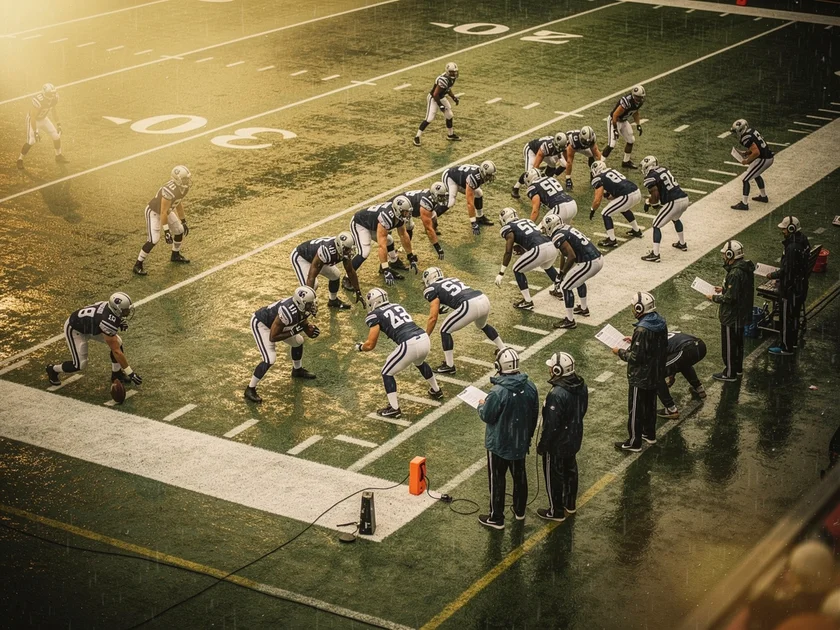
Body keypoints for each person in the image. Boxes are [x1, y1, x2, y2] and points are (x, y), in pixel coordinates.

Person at [355, 288, 443, 418]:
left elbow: (370, 344)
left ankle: (394, 408)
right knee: (419, 362)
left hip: (410, 343)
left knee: (386, 372)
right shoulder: (397, 306)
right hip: (424, 337)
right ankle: (436, 390)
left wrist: (360, 347)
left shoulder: (375, 315)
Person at [477, 348, 539, 529]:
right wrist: (527, 436)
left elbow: (487, 416)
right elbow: (534, 414)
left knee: (497, 479)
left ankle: (496, 517)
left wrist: (481, 406)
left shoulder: (497, 392)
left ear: (499, 366)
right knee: (520, 476)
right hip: (520, 441)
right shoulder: (530, 386)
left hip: (499, 443)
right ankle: (519, 511)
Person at [45, 292, 142, 388]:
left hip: (91, 326)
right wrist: (130, 373)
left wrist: (119, 321)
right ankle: (53, 369)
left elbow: (103, 317)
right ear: (116, 309)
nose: (128, 312)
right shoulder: (106, 321)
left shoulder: (108, 306)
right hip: (75, 329)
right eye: (125, 311)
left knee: (118, 342)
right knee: (80, 364)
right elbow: (116, 351)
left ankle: (116, 373)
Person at [421, 267, 505, 374]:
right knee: (482, 325)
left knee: (444, 330)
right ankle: (503, 348)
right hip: (482, 298)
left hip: (470, 305)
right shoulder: (452, 279)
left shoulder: (431, 288)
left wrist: (426, 336)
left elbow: (433, 318)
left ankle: (449, 365)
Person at [613, 292, 668, 452]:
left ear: (639, 308)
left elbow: (635, 357)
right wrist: (635, 340)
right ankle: (649, 434)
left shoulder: (642, 329)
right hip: (655, 371)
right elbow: (656, 344)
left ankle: (634, 441)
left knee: (636, 408)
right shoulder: (660, 321)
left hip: (641, 375)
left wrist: (620, 352)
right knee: (650, 405)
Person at [245, 286, 319, 403]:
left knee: (298, 341)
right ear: (301, 303)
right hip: (262, 324)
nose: (313, 306)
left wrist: (307, 329)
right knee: (270, 359)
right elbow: (273, 337)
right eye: (310, 304)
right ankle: (250, 388)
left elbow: (302, 320)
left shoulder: (302, 307)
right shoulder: (287, 312)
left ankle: (297, 370)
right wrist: (292, 331)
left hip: (279, 325)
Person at [537, 352, 588, 522]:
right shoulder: (581, 385)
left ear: (558, 370)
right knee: (570, 470)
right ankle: (570, 503)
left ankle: (555, 510)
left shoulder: (557, 393)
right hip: (574, 436)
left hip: (557, 443)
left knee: (554, 476)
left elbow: (551, 425)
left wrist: (543, 445)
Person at [543, 214, 603, 329]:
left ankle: (570, 320)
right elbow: (564, 254)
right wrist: (562, 270)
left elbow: (571, 256)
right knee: (577, 279)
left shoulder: (557, 236)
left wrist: (561, 275)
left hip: (589, 261)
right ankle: (583, 308)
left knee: (566, 286)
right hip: (596, 258)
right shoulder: (565, 228)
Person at [706, 240, 755, 381]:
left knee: (729, 346)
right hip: (741, 314)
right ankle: (737, 368)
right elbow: (740, 289)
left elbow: (730, 298)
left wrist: (714, 297)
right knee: (738, 343)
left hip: (732, 315)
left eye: (725, 255)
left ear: (730, 254)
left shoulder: (734, 273)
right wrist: (725, 288)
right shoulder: (745, 269)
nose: (724, 258)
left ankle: (729, 373)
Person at [133, 166, 192, 275]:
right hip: (154, 212)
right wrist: (166, 231)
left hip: (166, 211)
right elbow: (163, 212)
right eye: (184, 179)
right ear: (177, 179)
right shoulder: (169, 190)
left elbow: (178, 203)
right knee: (154, 239)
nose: (187, 181)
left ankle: (175, 255)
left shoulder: (183, 187)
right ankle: (138, 264)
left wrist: (183, 221)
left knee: (179, 230)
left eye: (187, 178)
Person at [495, 207, 558, 310]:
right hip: (552, 245)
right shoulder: (527, 220)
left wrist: (501, 273)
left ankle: (528, 301)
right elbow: (533, 236)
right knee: (547, 265)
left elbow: (508, 251)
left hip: (539, 249)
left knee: (517, 269)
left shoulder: (507, 228)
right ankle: (559, 289)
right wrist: (523, 249)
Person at [347, 199, 417, 287]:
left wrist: (410, 256)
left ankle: (394, 262)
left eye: (408, 212)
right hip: (360, 224)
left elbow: (403, 235)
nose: (407, 215)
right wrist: (386, 269)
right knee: (364, 252)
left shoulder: (398, 215)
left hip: (372, 223)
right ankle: (347, 278)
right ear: (398, 210)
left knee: (389, 240)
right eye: (405, 212)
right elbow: (381, 246)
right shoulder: (386, 217)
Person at [766, 216, 811, 355]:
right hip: (801, 286)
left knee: (787, 317)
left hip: (791, 289)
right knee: (795, 315)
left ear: (791, 229)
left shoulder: (792, 248)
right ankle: (793, 341)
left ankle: (786, 346)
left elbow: (788, 271)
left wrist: (773, 276)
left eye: (784, 228)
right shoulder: (802, 241)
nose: (783, 231)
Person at [291, 232, 363, 310]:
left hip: (317, 258)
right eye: (347, 249)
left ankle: (333, 301)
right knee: (311, 287)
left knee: (335, 275)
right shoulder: (326, 251)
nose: (349, 251)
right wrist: (311, 301)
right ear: (339, 246)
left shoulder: (342, 250)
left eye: (350, 249)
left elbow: (350, 271)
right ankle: (297, 310)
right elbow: (311, 277)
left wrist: (358, 291)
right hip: (302, 258)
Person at [639, 155, 690, 262]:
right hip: (684, 198)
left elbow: (656, 195)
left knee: (656, 224)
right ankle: (682, 243)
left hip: (674, 201)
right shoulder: (664, 169)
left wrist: (649, 202)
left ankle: (655, 254)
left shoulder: (650, 177)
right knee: (675, 218)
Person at [587, 160, 643, 248]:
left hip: (627, 195)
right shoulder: (611, 170)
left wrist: (592, 210)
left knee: (605, 213)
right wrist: (609, 195)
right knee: (623, 208)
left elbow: (597, 200)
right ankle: (636, 230)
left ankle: (612, 240)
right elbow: (618, 187)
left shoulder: (598, 178)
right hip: (636, 191)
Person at [656, 331, 707, 420]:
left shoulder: (653, 342)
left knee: (655, 374)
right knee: (684, 362)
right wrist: (672, 374)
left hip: (687, 349)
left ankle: (670, 408)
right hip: (700, 345)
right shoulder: (661, 334)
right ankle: (699, 389)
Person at [388, 184, 449, 256]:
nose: (442, 198)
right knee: (406, 226)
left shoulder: (431, 197)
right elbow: (428, 228)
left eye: (443, 196)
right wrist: (437, 247)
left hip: (407, 204)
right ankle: (396, 251)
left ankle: (434, 229)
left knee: (433, 217)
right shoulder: (426, 202)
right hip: (401, 206)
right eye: (440, 196)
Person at [18, 83, 67, 169]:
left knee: (56, 135)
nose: (52, 95)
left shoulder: (54, 99)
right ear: (45, 93)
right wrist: (35, 131)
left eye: (53, 93)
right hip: (33, 120)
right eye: (50, 93)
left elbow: (54, 111)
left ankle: (58, 156)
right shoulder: (39, 100)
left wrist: (58, 124)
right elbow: (33, 117)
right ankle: (20, 159)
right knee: (31, 141)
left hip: (44, 119)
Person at [440, 161, 497, 234]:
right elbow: (470, 203)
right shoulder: (473, 178)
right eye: (489, 175)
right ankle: (433, 216)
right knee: (451, 202)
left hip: (462, 179)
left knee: (478, 193)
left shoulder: (479, 173)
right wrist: (473, 223)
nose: (490, 177)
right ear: (483, 172)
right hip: (450, 177)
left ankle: (480, 217)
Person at [730, 118, 774, 211]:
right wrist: (746, 153)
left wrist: (747, 160)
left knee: (745, 179)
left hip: (764, 158)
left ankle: (744, 204)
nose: (736, 134)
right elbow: (756, 146)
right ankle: (763, 196)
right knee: (756, 175)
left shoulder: (745, 137)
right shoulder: (751, 131)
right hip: (766, 156)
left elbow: (756, 152)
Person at [414, 62, 460, 146]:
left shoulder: (451, 78)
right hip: (433, 98)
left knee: (449, 115)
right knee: (429, 118)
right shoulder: (443, 79)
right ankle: (417, 136)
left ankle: (450, 135)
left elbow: (448, 89)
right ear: (447, 71)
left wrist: (453, 97)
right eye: (452, 72)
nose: (454, 73)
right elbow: (435, 94)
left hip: (441, 97)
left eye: (455, 71)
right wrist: (440, 105)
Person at [511, 132, 568, 198]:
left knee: (552, 164)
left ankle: (545, 182)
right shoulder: (547, 146)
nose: (561, 149)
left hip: (545, 153)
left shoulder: (563, 144)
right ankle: (516, 187)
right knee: (531, 173)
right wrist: (536, 175)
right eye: (560, 147)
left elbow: (567, 161)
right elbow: (539, 157)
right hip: (532, 150)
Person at [602, 85, 646, 168]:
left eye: (640, 97)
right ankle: (599, 163)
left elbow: (635, 112)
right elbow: (615, 115)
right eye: (637, 97)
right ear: (633, 95)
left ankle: (626, 161)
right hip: (614, 121)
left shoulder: (640, 102)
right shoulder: (627, 102)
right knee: (611, 144)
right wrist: (615, 129)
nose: (638, 99)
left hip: (623, 121)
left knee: (631, 140)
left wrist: (638, 124)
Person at [562, 126, 602, 191]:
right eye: (584, 141)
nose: (586, 143)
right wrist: (568, 178)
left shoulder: (591, 139)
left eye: (588, 142)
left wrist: (601, 169)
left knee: (592, 155)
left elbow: (597, 155)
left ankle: (593, 173)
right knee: (565, 164)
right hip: (568, 147)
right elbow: (569, 160)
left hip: (580, 147)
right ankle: (567, 180)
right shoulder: (574, 140)